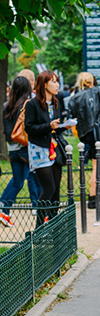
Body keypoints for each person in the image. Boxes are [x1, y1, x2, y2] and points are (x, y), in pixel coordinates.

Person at [24, 70, 71, 226]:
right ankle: (39, 227)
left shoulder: (57, 103)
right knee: (48, 188)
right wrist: (48, 126)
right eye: (53, 81)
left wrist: (65, 126)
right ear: (44, 84)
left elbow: (55, 128)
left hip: (54, 148)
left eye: (57, 81)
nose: (57, 85)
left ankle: (53, 224)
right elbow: (29, 128)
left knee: (56, 190)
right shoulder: (32, 104)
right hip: (39, 149)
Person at [68, 72, 100, 209]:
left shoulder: (74, 98)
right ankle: (93, 198)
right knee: (98, 166)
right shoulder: (96, 92)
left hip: (84, 134)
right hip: (97, 132)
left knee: (94, 164)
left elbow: (71, 118)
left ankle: (93, 197)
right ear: (92, 81)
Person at [0, 76, 41, 227]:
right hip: (24, 148)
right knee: (35, 180)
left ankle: (5, 211)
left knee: (17, 182)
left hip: (12, 149)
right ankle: (42, 214)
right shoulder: (28, 104)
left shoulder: (6, 105)